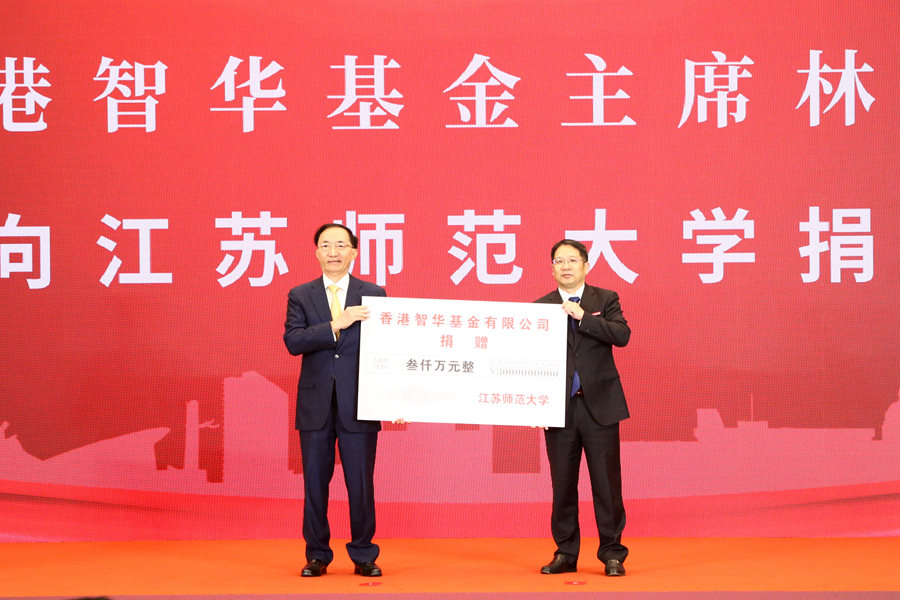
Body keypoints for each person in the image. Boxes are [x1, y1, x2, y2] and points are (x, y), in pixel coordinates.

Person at [283, 223, 386, 578]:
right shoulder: (301, 294)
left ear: (354, 252)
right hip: (315, 407)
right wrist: (336, 324)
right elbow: (294, 341)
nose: (333, 252)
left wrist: (393, 398)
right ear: (316, 252)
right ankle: (317, 555)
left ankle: (364, 554)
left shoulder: (373, 293)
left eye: (341, 245)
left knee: (361, 484)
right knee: (314, 484)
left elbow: (386, 348)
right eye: (326, 245)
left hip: (360, 403)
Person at [534, 239, 631, 577]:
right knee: (562, 485)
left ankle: (612, 554)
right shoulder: (540, 307)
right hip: (558, 409)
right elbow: (530, 359)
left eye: (572, 260)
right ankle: (566, 553)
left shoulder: (604, 299)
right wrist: (535, 406)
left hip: (599, 406)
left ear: (586, 266)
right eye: (559, 261)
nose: (566, 266)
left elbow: (621, 335)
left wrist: (582, 316)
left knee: (606, 484)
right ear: (552, 268)